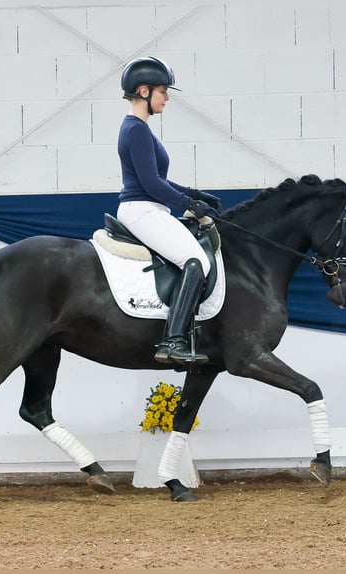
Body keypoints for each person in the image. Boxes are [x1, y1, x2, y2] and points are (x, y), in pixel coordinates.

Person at [116, 56, 223, 366]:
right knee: (196, 260)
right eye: (163, 91)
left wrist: (193, 193)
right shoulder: (136, 129)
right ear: (144, 91)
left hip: (149, 206)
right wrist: (189, 205)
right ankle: (173, 340)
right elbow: (150, 184)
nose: (167, 98)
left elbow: (157, 180)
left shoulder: (140, 129)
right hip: (142, 209)